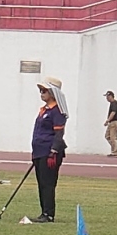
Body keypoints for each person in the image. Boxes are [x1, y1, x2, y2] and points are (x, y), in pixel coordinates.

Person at [29, 76, 68, 223]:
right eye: (40, 90)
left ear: (52, 92)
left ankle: (49, 214)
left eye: (44, 90)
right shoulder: (44, 110)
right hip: (39, 152)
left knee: (47, 183)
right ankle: (44, 211)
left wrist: (54, 151)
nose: (41, 93)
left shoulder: (57, 111)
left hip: (49, 152)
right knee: (41, 183)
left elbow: (59, 133)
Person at [104, 91, 117, 156]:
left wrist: (107, 120)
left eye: (107, 97)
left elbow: (113, 113)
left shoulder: (114, 104)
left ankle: (115, 151)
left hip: (114, 122)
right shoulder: (113, 104)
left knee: (113, 137)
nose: (106, 98)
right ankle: (114, 149)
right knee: (107, 136)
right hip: (113, 122)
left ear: (110, 96)